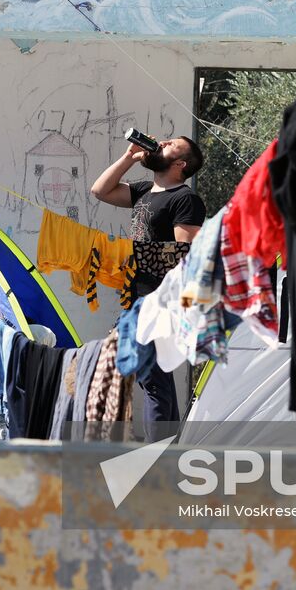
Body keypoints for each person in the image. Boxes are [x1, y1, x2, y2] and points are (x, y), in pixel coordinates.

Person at [90, 135, 206, 435]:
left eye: (170, 146)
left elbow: (185, 254)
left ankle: (158, 457)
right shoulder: (145, 190)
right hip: (137, 297)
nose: (162, 144)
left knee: (151, 377)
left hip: (158, 300)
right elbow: (100, 190)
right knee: (157, 380)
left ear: (180, 164)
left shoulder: (185, 199)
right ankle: (167, 452)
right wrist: (130, 157)